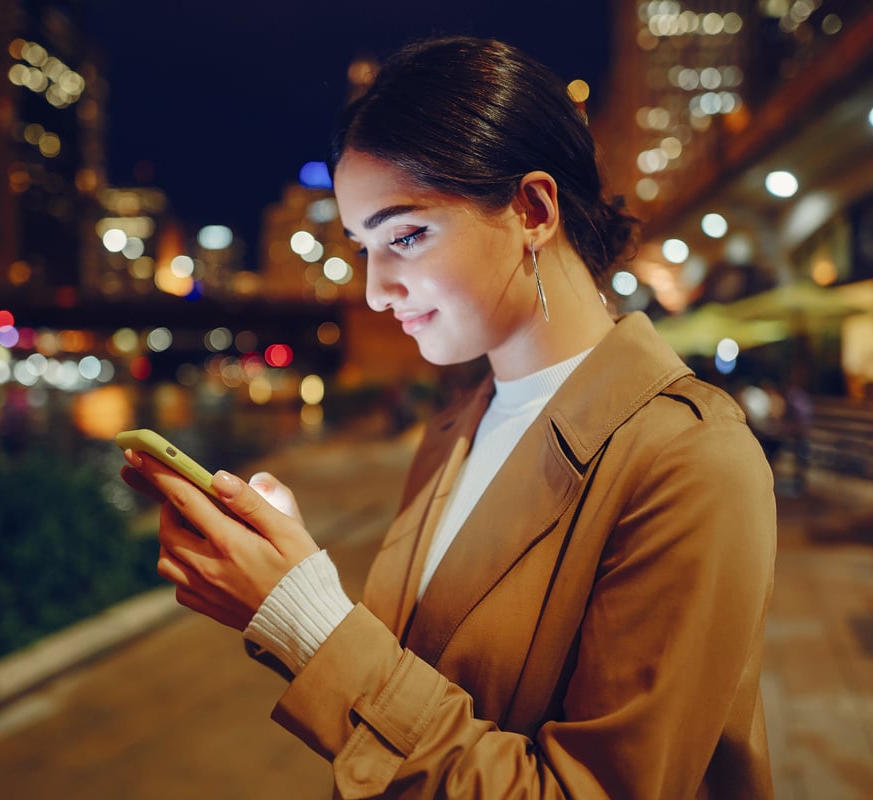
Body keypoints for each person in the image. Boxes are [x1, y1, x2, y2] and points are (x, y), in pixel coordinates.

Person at [122, 36, 777, 799]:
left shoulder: (691, 461)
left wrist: (306, 619)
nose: (375, 291)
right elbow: (418, 675)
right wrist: (288, 578)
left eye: (406, 236)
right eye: (366, 246)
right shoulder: (458, 426)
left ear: (533, 209)